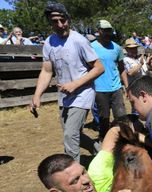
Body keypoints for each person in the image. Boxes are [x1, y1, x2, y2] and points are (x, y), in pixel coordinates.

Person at [30, 2, 103, 162]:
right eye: (55, 21)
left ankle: (73, 174)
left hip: (82, 94)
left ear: (68, 19)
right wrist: (37, 95)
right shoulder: (49, 42)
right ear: (50, 22)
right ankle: (102, 153)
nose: (60, 25)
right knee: (72, 134)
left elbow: (98, 68)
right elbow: (47, 71)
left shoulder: (79, 41)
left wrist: (75, 84)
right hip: (64, 96)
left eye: (63, 20)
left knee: (70, 135)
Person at [91, 19, 127, 141]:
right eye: (105, 31)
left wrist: (126, 86)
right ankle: (104, 140)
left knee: (121, 116)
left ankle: (124, 139)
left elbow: (122, 69)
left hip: (116, 88)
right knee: (104, 117)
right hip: (100, 88)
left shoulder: (117, 48)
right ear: (99, 31)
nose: (108, 33)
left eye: (109, 31)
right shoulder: (91, 47)